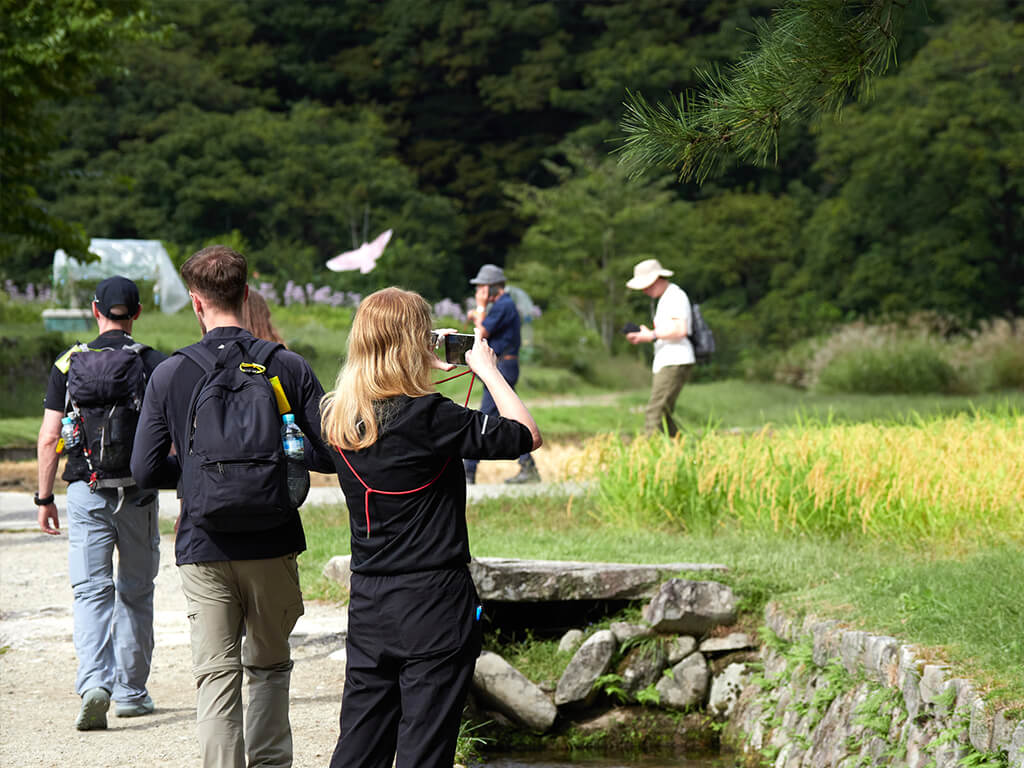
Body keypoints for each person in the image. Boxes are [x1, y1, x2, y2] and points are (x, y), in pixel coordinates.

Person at [130, 245, 333, 768]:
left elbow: (144, 469)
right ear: (246, 295)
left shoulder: (171, 374)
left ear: (196, 303)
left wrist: (200, 475)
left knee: (216, 678)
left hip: (203, 543)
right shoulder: (287, 365)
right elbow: (331, 454)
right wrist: (276, 462)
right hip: (273, 540)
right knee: (267, 669)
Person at [321, 287, 542, 768]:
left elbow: (388, 407)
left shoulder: (339, 417)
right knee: (424, 752)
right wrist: (486, 370)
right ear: (415, 343)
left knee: (359, 746)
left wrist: (418, 366)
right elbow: (525, 433)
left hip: (371, 603)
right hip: (435, 603)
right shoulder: (431, 416)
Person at [35, 275, 167, 730]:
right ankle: (132, 693)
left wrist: (44, 496)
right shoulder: (152, 362)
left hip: (85, 491)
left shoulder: (68, 363)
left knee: (91, 592)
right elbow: (167, 439)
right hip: (137, 493)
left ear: (95, 310)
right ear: (136, 312)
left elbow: (50, 435)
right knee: (136, 592)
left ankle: (94, 682)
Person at [463, 264, 541, 484]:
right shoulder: (504, 305)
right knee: (510, 416)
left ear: (491, 288)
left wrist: (479, 308)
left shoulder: (502, 306)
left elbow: (481, 333)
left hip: (503, 368)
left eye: (481, 288)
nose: (478, 292)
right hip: (505, 367)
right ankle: (528, 467)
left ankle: (468, 471)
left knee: (484, 417)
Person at [625, 258, 695, 436]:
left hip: (675, 361)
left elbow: (681, 329)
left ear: (656, 279)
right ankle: (686, 450)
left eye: (646, 286)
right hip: (668, 360)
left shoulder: (675, 296)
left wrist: (652, 335)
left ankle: (649, 456)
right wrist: (647, 334)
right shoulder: (666, 298)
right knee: (664, 415)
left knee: (654, 413)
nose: (644, 290)